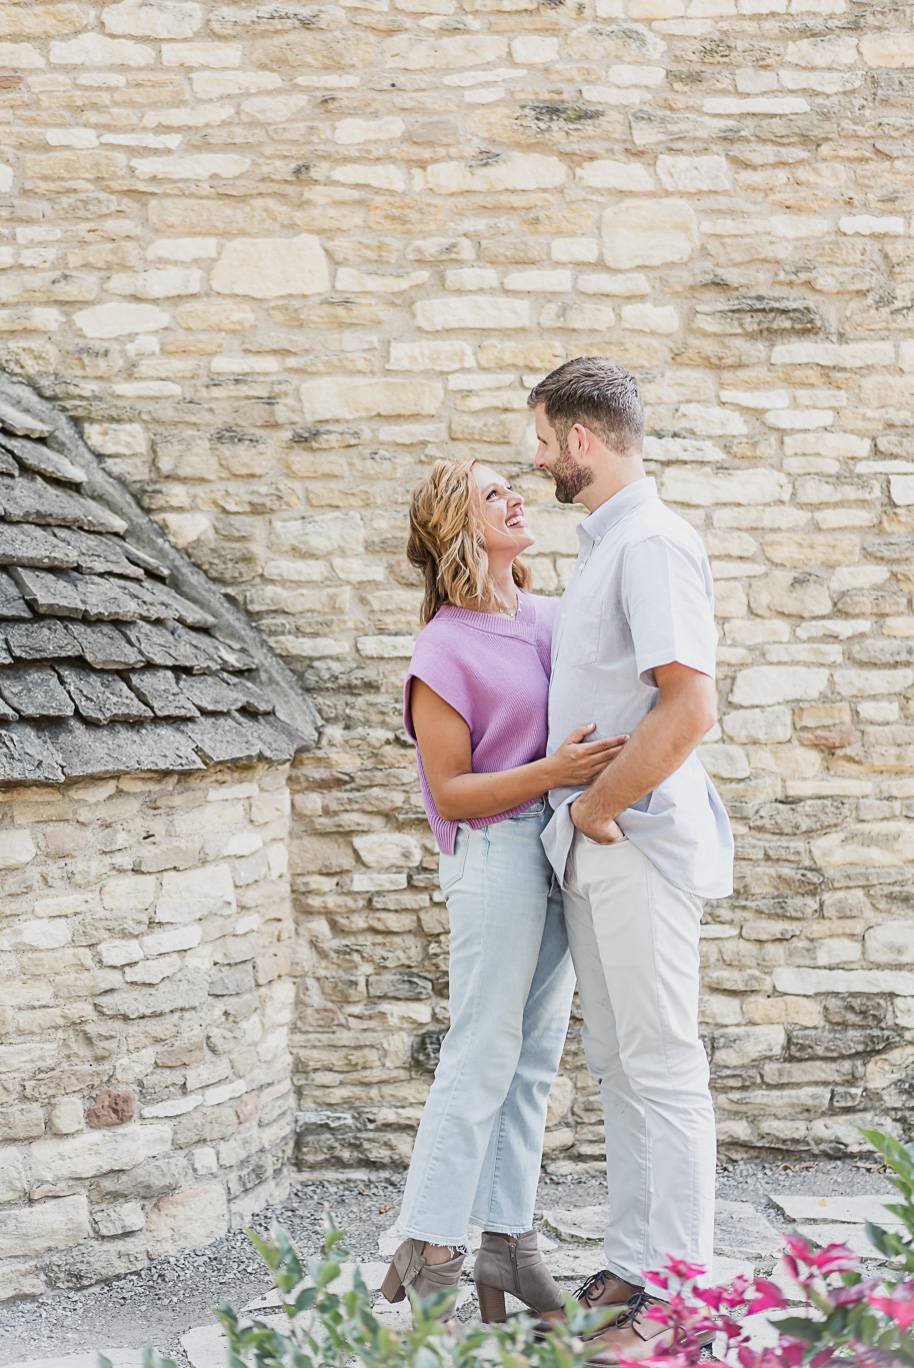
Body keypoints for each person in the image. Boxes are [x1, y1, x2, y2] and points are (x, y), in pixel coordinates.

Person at [381, 456, 626, 1327]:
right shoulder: (441, 647)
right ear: (460, 527)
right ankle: (435, 1245)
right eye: (494, 494)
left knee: (531, 1063)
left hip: (557, 849)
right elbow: (450, 792)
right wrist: (553, 769)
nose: (516, 497)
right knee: (482, 1048)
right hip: (491, 854)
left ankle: (507, 1248)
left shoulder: (552, 619)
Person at [528, 357, 734, 1364]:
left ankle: (684, 1300)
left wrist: (601, 809)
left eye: (540, 440)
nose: (535, 462)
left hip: (633, 839)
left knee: (661, 1065)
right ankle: (631, 1263)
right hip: (594, 839)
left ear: (579, 438)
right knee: (615, 1065)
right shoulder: (606, 542)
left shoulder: (650, 542)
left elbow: (686, 704)